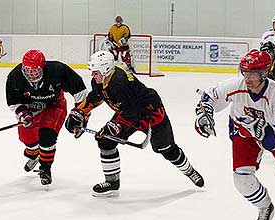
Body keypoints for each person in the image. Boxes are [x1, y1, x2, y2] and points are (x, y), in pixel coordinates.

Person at [194, 49, 275, 220]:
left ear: (264, 73)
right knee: (241, 180)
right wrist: (204, 113)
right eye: (245, 72)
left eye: (254, 73)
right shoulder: (237, 85)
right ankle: (265, 207)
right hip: (243, 132)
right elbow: (210, 96)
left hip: (274, 132)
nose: (248, 77)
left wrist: (264, 131)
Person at [64, 50, 204, 197]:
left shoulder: (120, 82)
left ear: (105, 69)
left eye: (95, 72)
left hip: (151, 114)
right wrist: (79, 112)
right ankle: (112, 183)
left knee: (166, 149)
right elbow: (97, 97)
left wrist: (114, 126)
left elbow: (134, 112)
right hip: (128, 111)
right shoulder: (101, 80)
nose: (93, 75)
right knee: (105, 141)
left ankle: (190, 171)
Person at [6, 49, 87, 187]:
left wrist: (81, 115)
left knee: (47, 135)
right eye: (27, 71)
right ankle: (33, 154)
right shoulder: (15, 76)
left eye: (35, 71)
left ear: (43, 67)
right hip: (31, 109)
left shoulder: (57, 70)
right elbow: (13, 102)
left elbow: (80, 91)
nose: (31, 75)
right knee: (27, 139)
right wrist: (23, 113)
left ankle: (45, 169)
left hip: (54, 106)